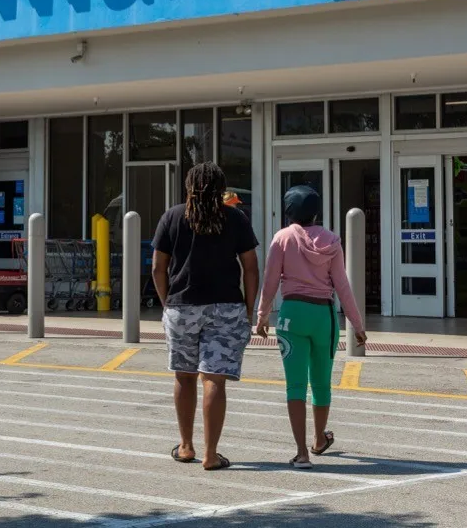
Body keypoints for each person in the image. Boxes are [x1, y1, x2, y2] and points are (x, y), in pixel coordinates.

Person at [152, 162, 259, 471]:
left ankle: (186, 446)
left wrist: (167, 303)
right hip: (226, 307)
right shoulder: (235, 218)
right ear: (221, 188)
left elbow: (158, 268)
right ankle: (211, 455)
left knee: (184, 376)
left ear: (189, 186)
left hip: (182, 307)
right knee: (214, 379)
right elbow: (251, 267)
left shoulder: (172, 217)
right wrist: (248, 308)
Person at [255, 185, 367, 468]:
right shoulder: (332, 241)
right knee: (321, 383)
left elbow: (270, 280)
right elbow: (342, 285)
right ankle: (319, 439)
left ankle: (301, 452)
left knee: (295, 385)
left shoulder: (282, 238)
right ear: (316, 212)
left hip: (292, 315)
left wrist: (262, 315)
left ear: (288, 211)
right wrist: (357, 324)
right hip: (323, 317)